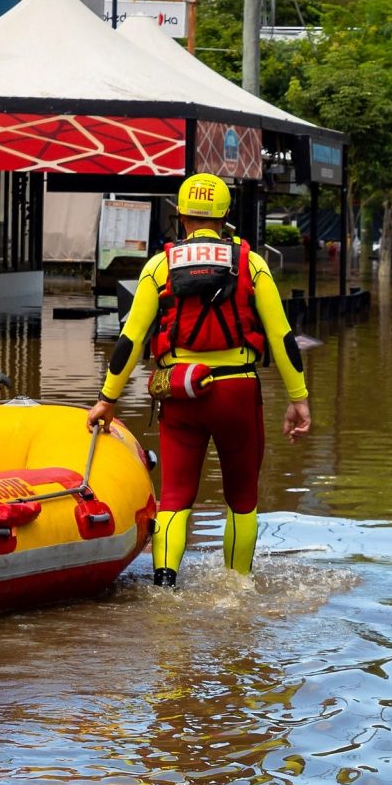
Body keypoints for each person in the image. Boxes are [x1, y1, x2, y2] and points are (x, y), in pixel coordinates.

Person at [87, 172, 310, 588]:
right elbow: (282, 337)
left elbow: (130, 339)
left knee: (173, 498)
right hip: (238, 392)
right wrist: (298, 397)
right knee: (242, 500)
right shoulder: (252, 263)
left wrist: (107, 399)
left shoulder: (160, 266)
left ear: (181, 215)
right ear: (226, 216)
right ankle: (237, 587)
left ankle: (165, 585)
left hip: (180, 392)